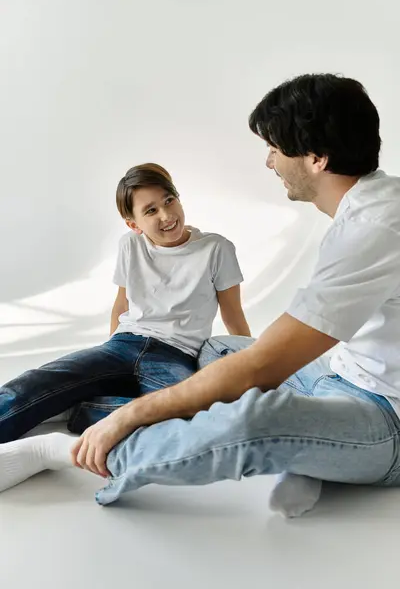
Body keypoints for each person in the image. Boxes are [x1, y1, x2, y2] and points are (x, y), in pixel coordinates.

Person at [3, 73, 400, 520]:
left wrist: (128, 415)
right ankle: (308, 454)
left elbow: (264, 364)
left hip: (384, 413)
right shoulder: (370, 205)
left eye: (274, 149)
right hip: (336, 371)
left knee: (249, 419)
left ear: (316, 158)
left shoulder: (374, 228)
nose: (270, 162)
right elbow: (260, 350)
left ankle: (68, 450)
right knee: (215, 350)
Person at [0, 163, 250, 476]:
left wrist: (253, 370)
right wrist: (105, 360)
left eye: (169, 201)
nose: (166, 216)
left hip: (177, 353)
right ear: (133, 224)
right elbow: (122, 302)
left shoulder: (217, 248)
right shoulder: (130, 245)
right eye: (151, 210)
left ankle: (87, 410)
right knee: (35, 382)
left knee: (193, 418)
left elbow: (233, 314)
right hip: (124, 343)